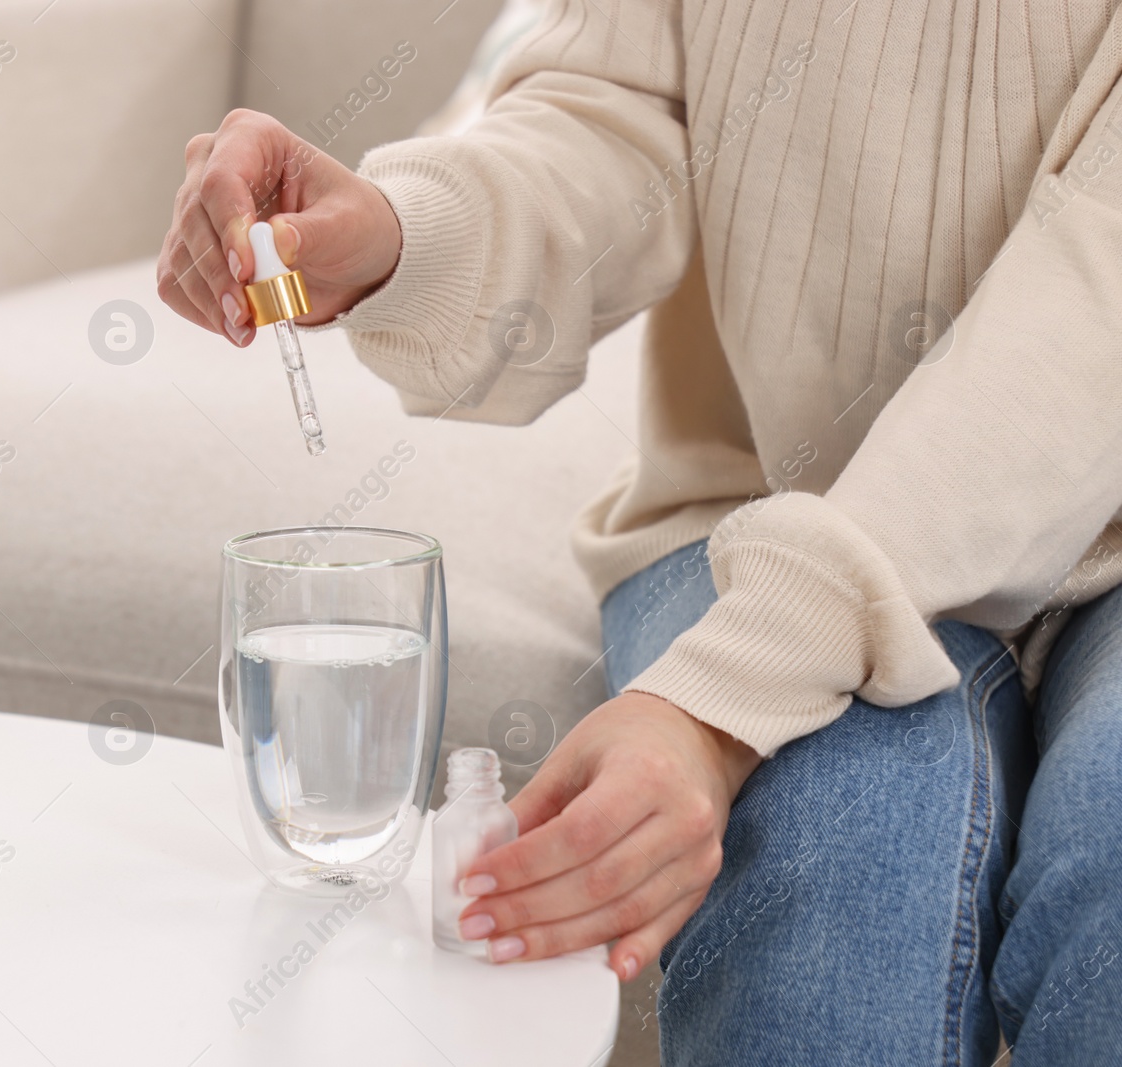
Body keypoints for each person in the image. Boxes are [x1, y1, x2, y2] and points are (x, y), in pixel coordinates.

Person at [157, 2, 1122, 1062]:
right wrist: (395, 235)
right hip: (757, 501)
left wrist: (719, 702)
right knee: (830, 842)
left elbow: (1091, 309)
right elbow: (614, 115)